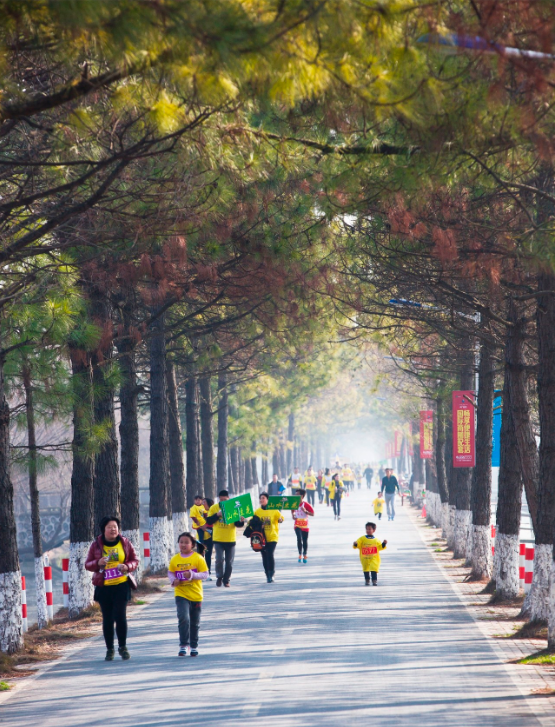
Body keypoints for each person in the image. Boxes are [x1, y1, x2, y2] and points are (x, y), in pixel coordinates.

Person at [85, 516, 138, 661]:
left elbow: (135, 560)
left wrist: (127, 566)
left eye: (115, 526)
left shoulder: (125, 542)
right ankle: (110, 649)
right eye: (109, 527)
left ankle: (123, 647)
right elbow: (88, 564)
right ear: (103, 529)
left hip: (121, 585)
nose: (113, 529)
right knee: (107, 618)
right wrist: (98, 562)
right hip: (104, 587)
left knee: (120, 616)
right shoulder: (96, 545)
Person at [168, 532, 209, 657]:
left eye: (186, 542)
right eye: (181, 542)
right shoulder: (175, 559)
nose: (183, 545)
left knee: (195, 622)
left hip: (196, 595)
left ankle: (193, 646)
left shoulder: (198, 558)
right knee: (183, 618)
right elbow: (171, 573)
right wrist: (173, 580)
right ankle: (183, 645)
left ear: (192, 544)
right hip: (181, 594)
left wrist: (192, 575)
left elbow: (205, 574)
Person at [205, 490, 245, 587]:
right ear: (219, 499)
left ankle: (226, 580)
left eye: (225, 500)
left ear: (228, 499)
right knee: (219, 559)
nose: (223, 501)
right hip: (218, 539)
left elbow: (237, 524)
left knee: (229, 562)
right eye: (221, 499)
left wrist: (241, 521)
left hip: (230, 539)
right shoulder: (214, 508)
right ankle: (219, 577)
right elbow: (209, 521)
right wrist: (217, 515)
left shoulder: (233, 507)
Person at [253, 492, 284, 583]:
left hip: (272, 536)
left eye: (263, 498)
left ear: (267, 500)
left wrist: (280, 520)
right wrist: (259, 526)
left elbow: (281, 518)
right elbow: (253, 523)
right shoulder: (257, 512)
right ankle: (267, 574)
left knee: (270, 554)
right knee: (264, 556)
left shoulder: (274, 510)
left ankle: (272, 574)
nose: (261, 500)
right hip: (261, 537)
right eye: (260, 498)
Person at [353, 522, 387, 586]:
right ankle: (367, 580)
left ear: (374, 530)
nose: (368, 531)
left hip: (374, 558)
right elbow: (358, 544)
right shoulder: (362, 539)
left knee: (374, 568)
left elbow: (380, 547)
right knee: (366, 569)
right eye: (367, 529)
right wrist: (355, 544)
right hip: (365, 558)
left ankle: (374, 580)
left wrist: (384, 543)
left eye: (369, 529)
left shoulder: (376, 540)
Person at [292, 488, 315, 563]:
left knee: (304, 540)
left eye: (297, 495)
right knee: (299, 538)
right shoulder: (294, 503)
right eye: (295, 495)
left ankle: (305, 553)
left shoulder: (306, 504)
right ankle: (300, 553)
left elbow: (313, 514)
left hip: (305, 525)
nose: (295, 496)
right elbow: (292, 510)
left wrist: (305, 511)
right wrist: (293, 515)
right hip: (297, 524)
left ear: (302, 496)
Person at [201, 497, 214, 579]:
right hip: (201, 537)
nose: (202, 503)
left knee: (208, 555)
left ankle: (208, 571)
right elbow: (199, 524)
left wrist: (207, 529)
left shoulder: (212, 512)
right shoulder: (200, 512)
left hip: (210, 537)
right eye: (202, 502)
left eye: (204, 502)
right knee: (201, 556)